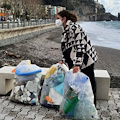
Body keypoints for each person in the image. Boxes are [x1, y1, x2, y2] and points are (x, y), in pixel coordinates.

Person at [56, 10, 98, 106]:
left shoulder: (74, 28)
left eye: (58, 18)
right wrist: (63, 60)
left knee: (89, 81)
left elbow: (80, 47)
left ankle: (92, 104)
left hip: (86, 59)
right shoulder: (66, 29)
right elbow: (66, 47)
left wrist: (77, 65)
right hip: (75, 59)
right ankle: (80, 104)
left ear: (64, 19)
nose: (56, 21)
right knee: (77, 83)